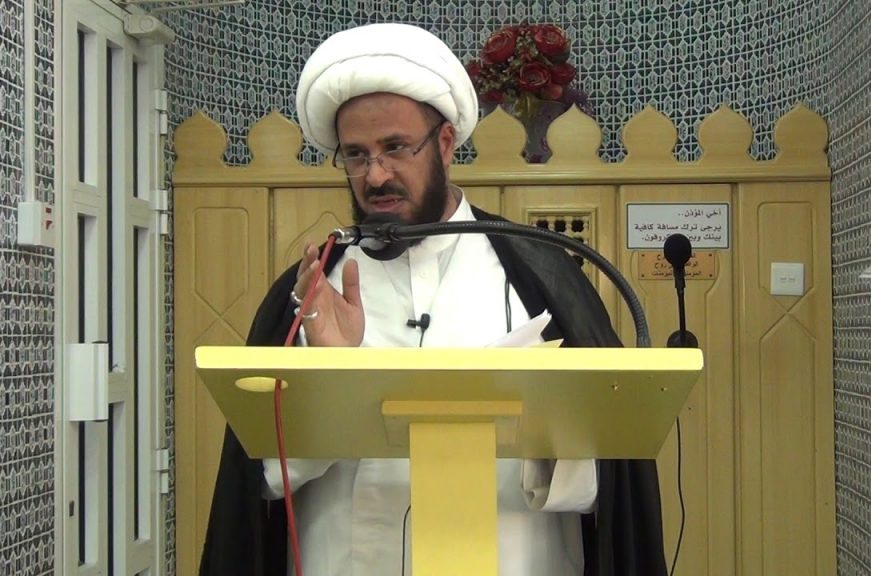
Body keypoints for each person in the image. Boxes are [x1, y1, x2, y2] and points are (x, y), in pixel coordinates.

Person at [199, 22, 667, 576]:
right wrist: (327, 379)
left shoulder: (536, 272)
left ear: (444, 144)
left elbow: (611, 482)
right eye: (356, 155)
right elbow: (257, 485)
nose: (375, 176)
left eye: (396, 148)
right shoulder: (312, 289)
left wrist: (534, 426)